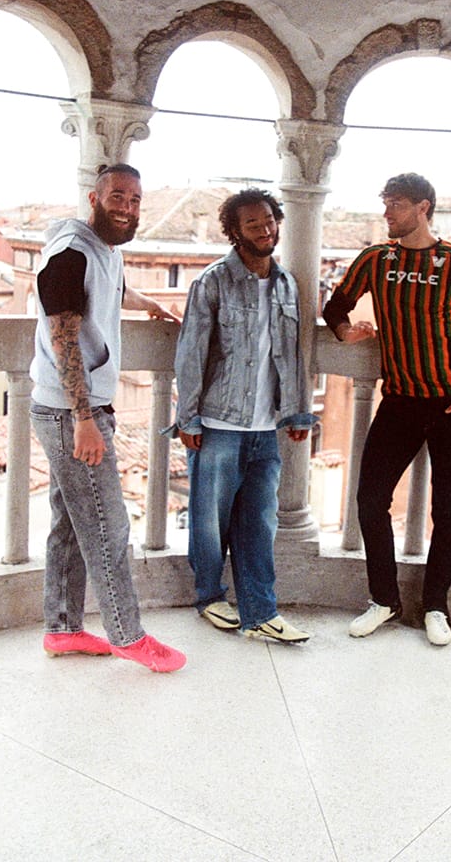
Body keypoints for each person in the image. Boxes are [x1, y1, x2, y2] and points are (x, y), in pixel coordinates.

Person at [322, 172, 451, 646]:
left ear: (423, 208)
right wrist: (345, 332)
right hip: (399, 400)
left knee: (447, 508)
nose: (387, 213)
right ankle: (385, 599)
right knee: (370, 500)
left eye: (395, 204)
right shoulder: (377, 259)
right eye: (386, 203)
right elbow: (335, 307)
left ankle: (436, 605)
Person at [31, 163, 186, 672]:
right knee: (107, 526)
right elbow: (64, 339)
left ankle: (63, 629)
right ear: (94, 199)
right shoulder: (69, 254)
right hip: (71, 412)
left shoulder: (102, 251)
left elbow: (111, 289)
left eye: (136, 200)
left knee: (70, 526)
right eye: (118, 197)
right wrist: (84, 419)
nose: (128, 207)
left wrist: (149, 303)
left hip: (71, 409)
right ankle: (128, 635)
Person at [174, 188, 315, 643]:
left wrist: (297, 412)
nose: (264, 229)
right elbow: (191, 354)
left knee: (259, 523)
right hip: (219, 424)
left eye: (269, 220)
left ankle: (260, 611)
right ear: (235, 232)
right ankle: (209, 597)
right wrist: (188, 418)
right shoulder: (212, 282)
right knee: (209, 522)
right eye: (252, 224)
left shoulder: (287, 283)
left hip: (265, 428)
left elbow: (294, 354)